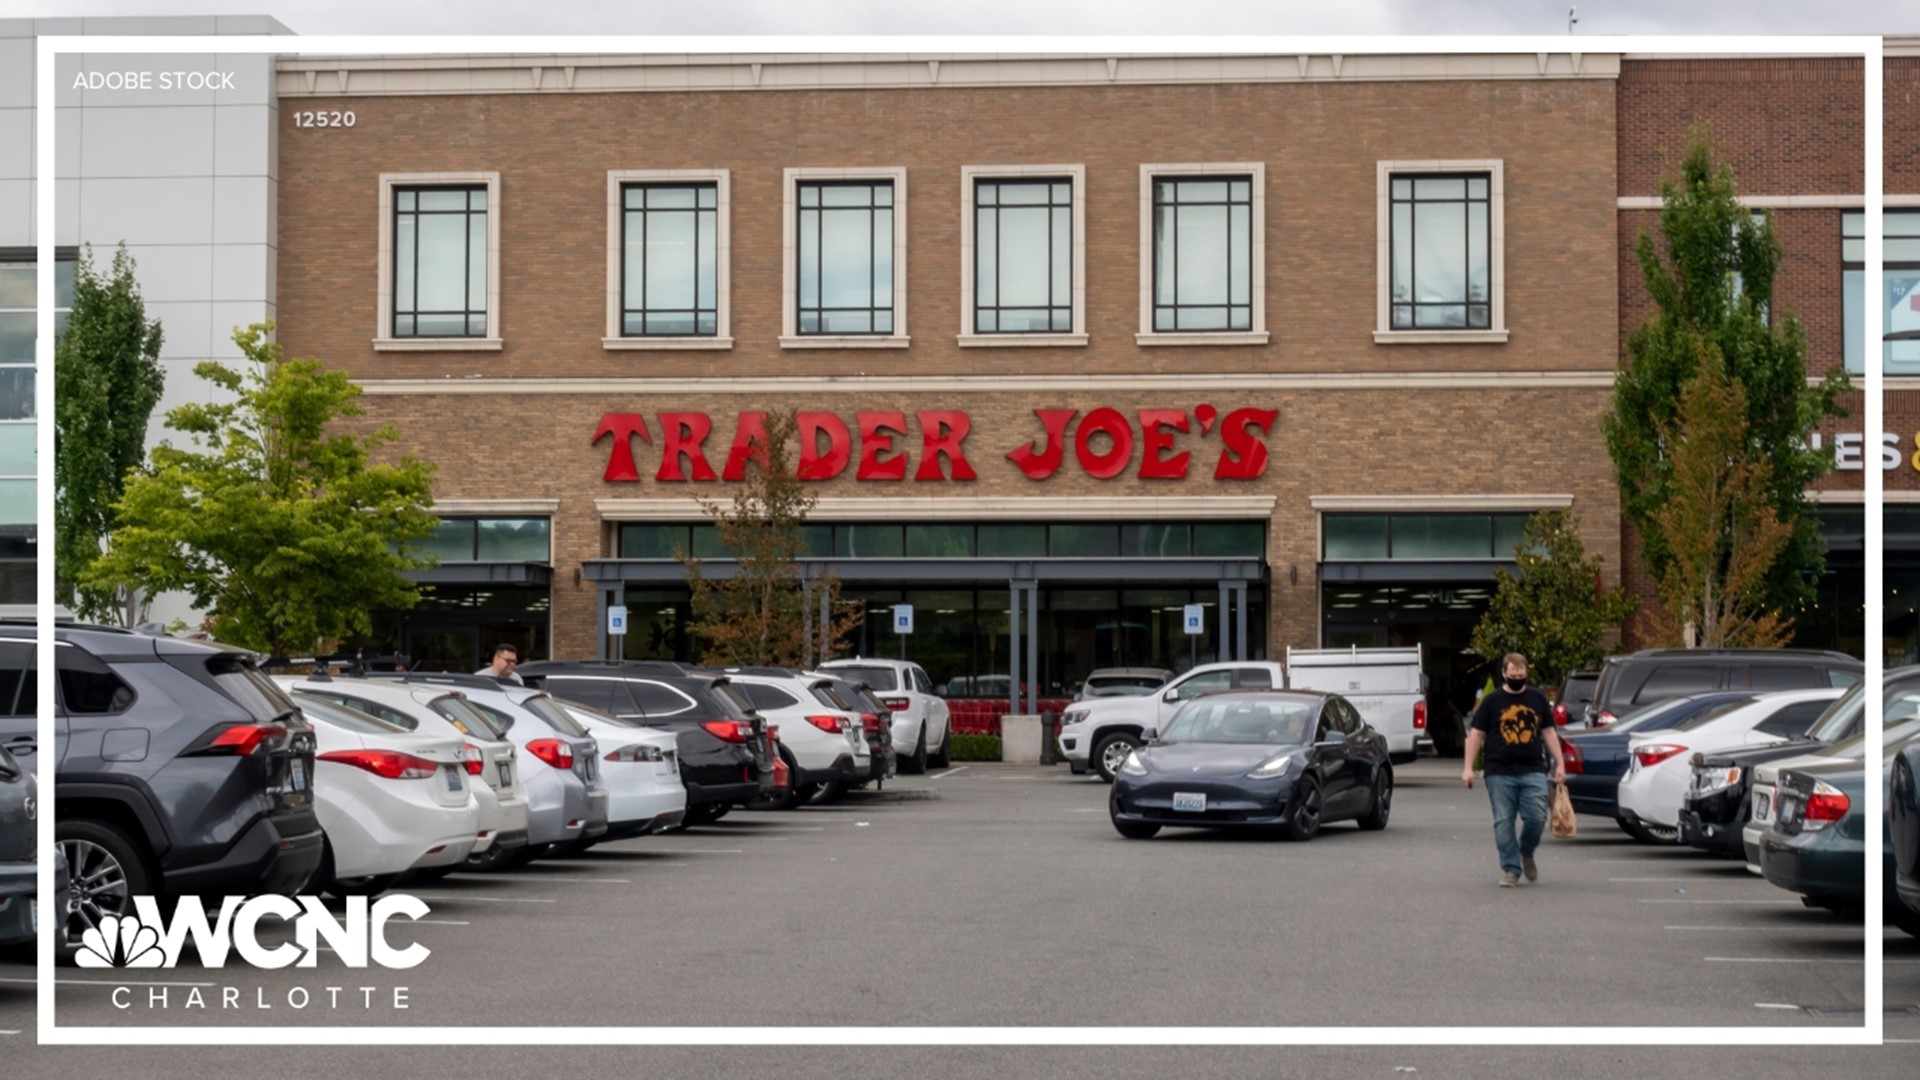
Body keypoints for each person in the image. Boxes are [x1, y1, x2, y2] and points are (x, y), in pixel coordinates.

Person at [1461, 652, 1566, 887]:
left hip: (1533, 769)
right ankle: (1511, 868)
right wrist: (1468, 767)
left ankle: (1526, 851)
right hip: (1499, 771)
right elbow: (1476, 734)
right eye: (1513, 674)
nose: (1518, 677)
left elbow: (1549, 732)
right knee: (1503, 821)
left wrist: (1560, 763)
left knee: (1537, 817)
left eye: (1522, 674)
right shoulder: (1492, 701)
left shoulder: (1537, 699)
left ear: (1527, 672)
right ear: (1504, 673)